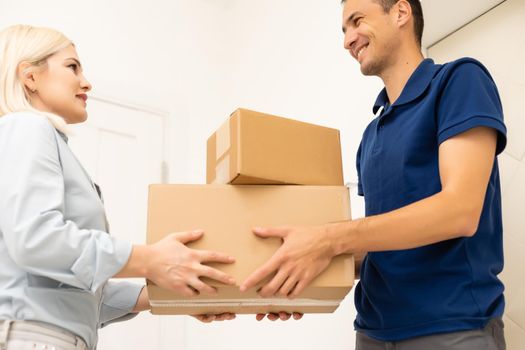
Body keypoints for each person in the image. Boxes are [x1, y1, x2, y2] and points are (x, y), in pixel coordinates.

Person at [240, 0, 507, 349]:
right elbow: (378, 244)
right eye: (344, 30)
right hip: (372, 333)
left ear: (400, 13)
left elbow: (460, 211)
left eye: (356, 21)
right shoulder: (371, 135)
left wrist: (329, 238)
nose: (348, 39)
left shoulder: (458, 81)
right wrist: (294, 273)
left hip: (450, 328)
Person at [0, 24, 236, 350]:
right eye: (72, 66)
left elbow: (77, 290)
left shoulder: (48, 145)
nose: (86, 82)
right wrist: (150, 258)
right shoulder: (26, 127)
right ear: (30, 77)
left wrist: (170, 294)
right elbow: (38, 240)